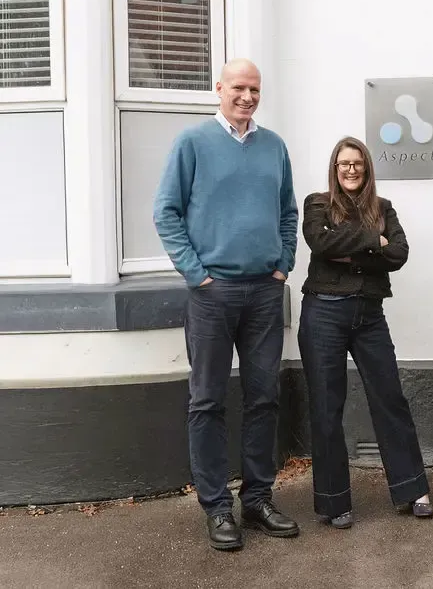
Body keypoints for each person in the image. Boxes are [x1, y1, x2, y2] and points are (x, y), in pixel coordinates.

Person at [153, 58, 299, 551]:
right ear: (219, 88)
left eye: (254, 89)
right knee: (208, 400)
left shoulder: (274, 146)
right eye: (239, 87)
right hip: (212, 295)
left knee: (264, 397)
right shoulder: (192, 143)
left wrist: (283, 264)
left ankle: (257, 500)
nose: (247, 97)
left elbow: (287, 212)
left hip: (264, 291)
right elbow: (166, 212)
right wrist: (197, 274)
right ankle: (217, 507)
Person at [297, 136, 433, 528]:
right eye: (344, 164)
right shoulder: (317, 204)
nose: (351, 169)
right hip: (323, 312)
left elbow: (399, 253)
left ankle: (412, 489)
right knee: (327, 407)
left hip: (369, 314)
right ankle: (334, 502)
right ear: (335, 169)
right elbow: (321, 242)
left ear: (367, 168)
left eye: (357, 163)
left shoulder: (383, 207)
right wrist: (374, 241)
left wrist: (352, 248)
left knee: (390, 398)